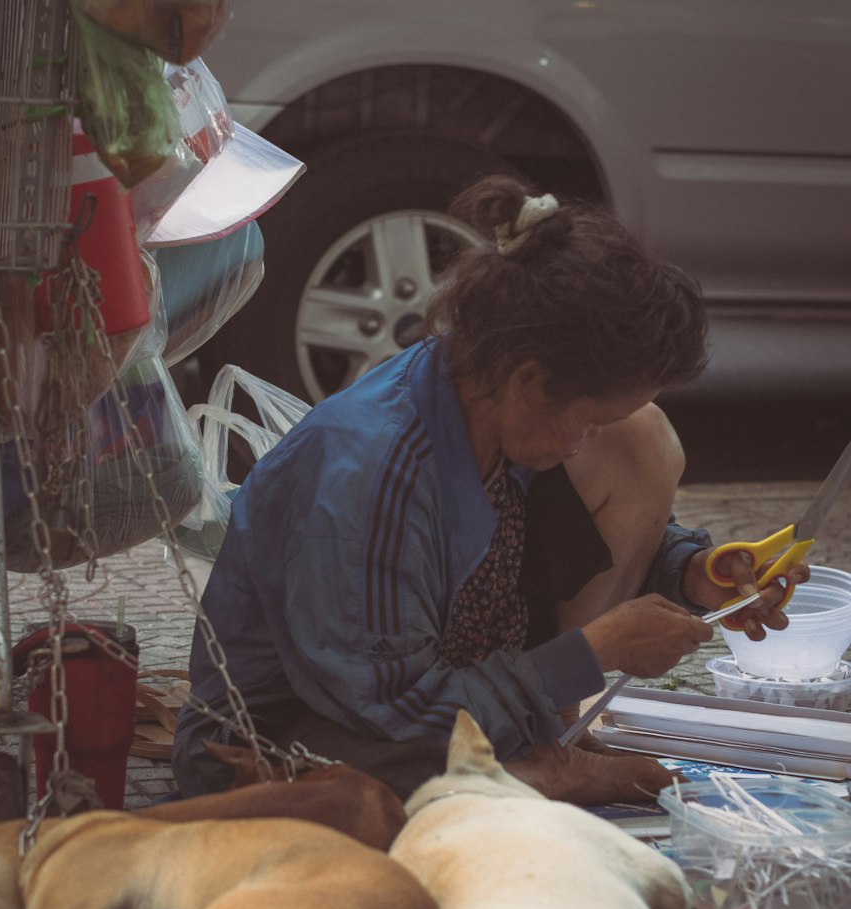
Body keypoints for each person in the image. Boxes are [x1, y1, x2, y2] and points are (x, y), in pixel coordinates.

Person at [172, 175, 806, 805]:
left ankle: (535, 750)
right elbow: (389, 704)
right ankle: (530, 771)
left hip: (421, 703)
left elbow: (566, 537)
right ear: (532, 380)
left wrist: (692, 573)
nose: (586, 442)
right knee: (360, 792)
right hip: (290, 738)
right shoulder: (368, 472)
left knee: (643, 438)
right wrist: (592, 653)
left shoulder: (493, 400)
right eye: (588, 419)